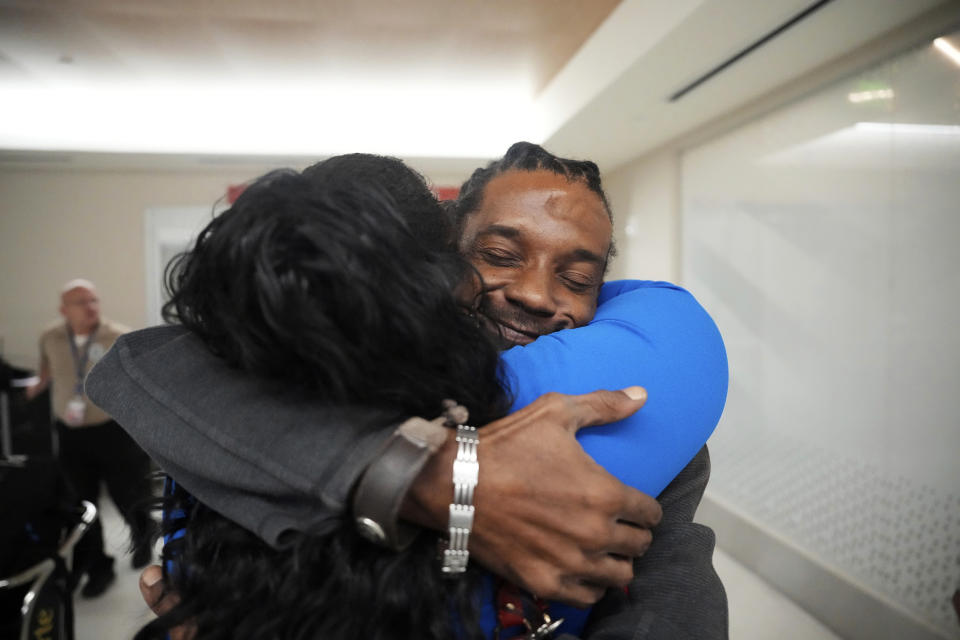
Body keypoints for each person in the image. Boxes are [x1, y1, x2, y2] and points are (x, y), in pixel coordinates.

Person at [89, 148, 727, 637]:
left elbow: (670, 582)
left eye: (578, 276)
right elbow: (141, 366)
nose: (536, 294)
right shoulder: (262, 390)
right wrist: (434, 475)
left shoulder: (627, 402)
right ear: (444, 262)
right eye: (500, 255)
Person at [26, 279, 156, 598]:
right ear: (63, 309)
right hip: (70, 434)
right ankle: (99, 568)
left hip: (113, 430)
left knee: (129, 494)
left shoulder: (119, 336)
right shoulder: (50, 337)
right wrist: (34, 389)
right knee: (82, 503)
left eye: (94, 300)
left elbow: (139, 382)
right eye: (81, 302)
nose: (91, 307)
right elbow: (46, 373)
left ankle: (144, 533)